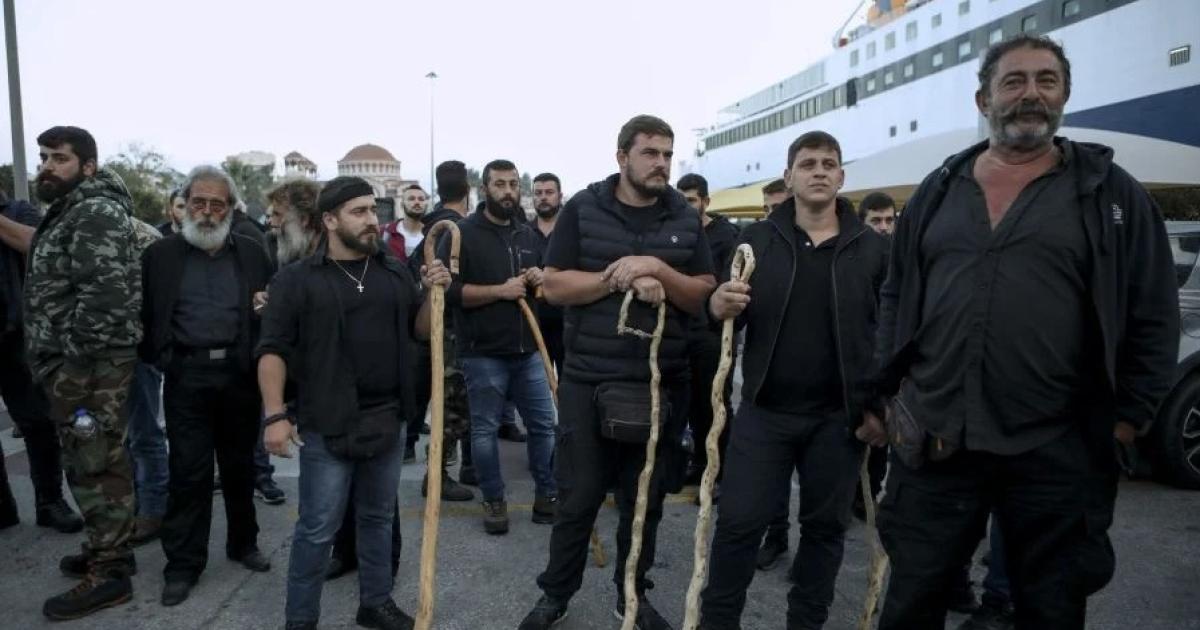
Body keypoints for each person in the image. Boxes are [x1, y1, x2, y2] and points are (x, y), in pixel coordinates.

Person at [860, 35, 1178, 629]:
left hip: (1056, 444)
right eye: (1014, 81)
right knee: (912, 598)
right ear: (984, 100)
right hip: (939, 436)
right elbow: (896, 295)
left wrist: (1129, 417)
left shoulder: (1111, 193)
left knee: (1050, 607)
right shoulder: (938, 189)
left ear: (1064, 96)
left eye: (1046, 80)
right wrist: (883, 392)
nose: (1031, 93)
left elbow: (1153, 311)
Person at [519, 115, 716, 630]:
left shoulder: (684, 215)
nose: (661, 163)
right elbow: (553, 287)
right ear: (622, 156)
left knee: (644, 501)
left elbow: (703, 295)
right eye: (650, 153)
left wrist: (658, 269)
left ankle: (632, 595)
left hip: (662, 380)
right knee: (578, 496)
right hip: (589, 379)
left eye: (667, 154)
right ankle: (555, 595)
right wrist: (619, 277)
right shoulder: (583, 208)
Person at [699, 131, 889, 630]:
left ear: (841, 176)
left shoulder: (873, 249)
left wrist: (880, 407)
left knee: (824, 531)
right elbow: (724, 314)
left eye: (828, 163)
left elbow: (890, 335)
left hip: (838, 419)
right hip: (765, 411)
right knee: (739, 525)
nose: (818, 171)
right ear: (789, 177)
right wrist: (715, 305)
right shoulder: (757, 242)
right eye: (808, 164)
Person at [258, 175, 446, 630]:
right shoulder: (296, 280)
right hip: (328, 422)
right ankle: (300, 620)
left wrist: (433, 293)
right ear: (329, 220)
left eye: (373, 211)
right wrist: (275, 415)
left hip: (387, 419)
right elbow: (272, 350)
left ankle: (375, 603)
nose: (371, 221)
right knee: (317, 529)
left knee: (378, 518)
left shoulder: (392, 272)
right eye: (358, 212)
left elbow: (420, 331)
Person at [141, 165, 274, 606]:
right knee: (189, 472)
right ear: (184, 205)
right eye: (199, 202)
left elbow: (268, 309)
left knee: (240, 466)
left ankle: (244, 543)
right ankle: (183, 564)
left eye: (218, 204)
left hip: (238, 375)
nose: (208, 211)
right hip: (187, 376)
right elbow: (147, 314)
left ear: (231, 208)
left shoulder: (252, 252)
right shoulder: (160, 256)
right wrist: (163, 358)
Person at [24, 126, 142, 619]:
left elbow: (105, 297)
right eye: (44, 158)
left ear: (88, 167)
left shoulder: (94, 211)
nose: (47, 167)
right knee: (86, 453)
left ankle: (110, 572)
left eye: (60, 159)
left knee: (96, 459)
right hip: (76, 360)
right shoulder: (71, 209)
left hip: (90, 364)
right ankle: (107, 547)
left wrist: (72, 365)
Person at [440, 158, 557, 534]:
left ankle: (547, 494)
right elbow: (448, 293)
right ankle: (493, 499)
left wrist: (538, 278)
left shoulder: (527, 235)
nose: (508, 191)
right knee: (485, 430)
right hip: (483, 353)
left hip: (529, 351)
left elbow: (541, 287)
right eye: (500, 184)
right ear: (483, 189)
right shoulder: (461, 234)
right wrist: (499, 291)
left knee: (544, 426)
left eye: (513, 184)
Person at [0, 189, 84, 534]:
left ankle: (50, 502)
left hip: (17, 337)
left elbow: (35, 244)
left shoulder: (19, 210)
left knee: (38, 422)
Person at [405, 160, 476, 503]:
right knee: (452, 408)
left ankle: (463, 467)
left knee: (455, 405)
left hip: (435, 328)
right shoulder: (455, 230)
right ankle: (437, 476)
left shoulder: (431, 230)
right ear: (467, 192)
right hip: (450, 332)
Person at [676, 173, 739, 496]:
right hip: (682, 331)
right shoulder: (678, 232)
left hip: (713, 334)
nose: (686, 206)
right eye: (681, 199)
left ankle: (721, 472)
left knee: (715, 404)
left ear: (705, 201)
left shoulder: (727, 236)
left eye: (691, 200)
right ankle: (701, 463)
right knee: (691, 404)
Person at [125, 216, 169, 546]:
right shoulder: (72, 225)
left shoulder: (141, 234)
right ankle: (130, 506)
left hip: (136, 349)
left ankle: (153, 509)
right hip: (95, 351)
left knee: (144, 433)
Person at [530, 172, 566, 375]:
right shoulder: (522, 233)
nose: (543, 197)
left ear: (560, 196)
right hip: (533, 325)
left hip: (567, 323)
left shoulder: (572, 232)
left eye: (549, 192)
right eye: (538, 193)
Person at [382, 184, 428, 263]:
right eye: (411, 199)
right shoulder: (385, 232)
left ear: (426, 204)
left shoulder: (434, 233)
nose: (417, 202)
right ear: (402, 204)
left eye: (421, 199)